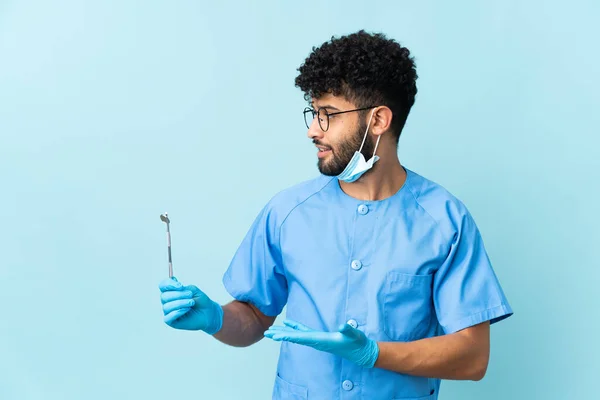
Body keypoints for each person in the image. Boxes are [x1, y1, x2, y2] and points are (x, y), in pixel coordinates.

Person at [158, 30, 513, 400]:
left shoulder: (445, 222)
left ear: (378, 120)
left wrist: (373, 354)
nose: (313, 130)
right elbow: (253, 319)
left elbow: (473, 357)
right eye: (313, 113)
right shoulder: (287, 213)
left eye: (328, 114)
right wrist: (214, 318)